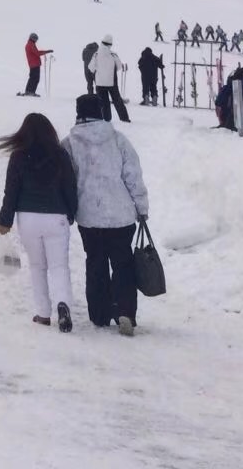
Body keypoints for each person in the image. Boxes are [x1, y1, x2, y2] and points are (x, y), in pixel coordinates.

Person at [62, 94, 149, 335]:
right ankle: (125, 313)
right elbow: (133, 176)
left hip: (90, 218)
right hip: (121, 216)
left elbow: (65, 180)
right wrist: (141, 207)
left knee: (95, 263)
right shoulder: (118, 140)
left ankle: (99, 314)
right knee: (123, 264)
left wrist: (67, 209)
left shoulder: (69, 144)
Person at [0, 113, 78, 332]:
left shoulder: (19, 156)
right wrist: (71, 213)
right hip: (56, 217)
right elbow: (70, 187)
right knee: (59, 266)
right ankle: (63, 304)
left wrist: (4, 221)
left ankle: (43, 313)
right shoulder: (60, 155)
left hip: (28, 218)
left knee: (38, 267)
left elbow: (11, 192)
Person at [92, 35, 130, 122]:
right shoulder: (113, 54)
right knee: (117, 100)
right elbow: (119, 66)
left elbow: (91, 67)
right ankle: (124, 118)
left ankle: (106, 119)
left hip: (100, 83)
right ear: (110, 44)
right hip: (112, 82)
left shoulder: (96, 54)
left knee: (104, 102)